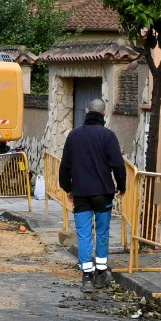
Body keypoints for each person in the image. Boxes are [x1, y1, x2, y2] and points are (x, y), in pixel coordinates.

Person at [58, 97, 127, 293]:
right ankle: (101, 272)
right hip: (103, 194)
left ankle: (86, 277)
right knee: (103, 232)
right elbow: (118, 166)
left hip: (81, 194)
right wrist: (122, 187)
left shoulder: (74, 136)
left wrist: (68, 188)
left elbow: (65, 167)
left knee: (84, 233)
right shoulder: (108, 136)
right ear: (104, 113)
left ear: (87, 112)